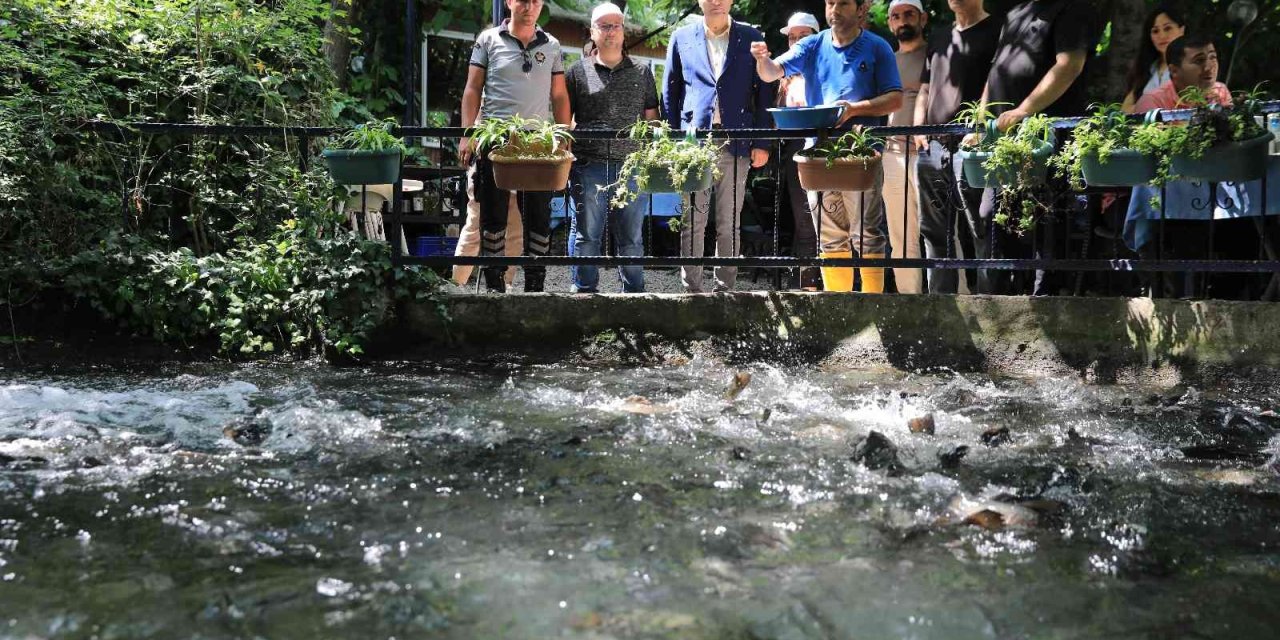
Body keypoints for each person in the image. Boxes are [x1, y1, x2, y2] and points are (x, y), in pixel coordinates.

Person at [752, 0, 903, 293]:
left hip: (860, 156)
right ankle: (838, 306)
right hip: (818, 155)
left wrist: (854, 109)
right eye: (830, 2)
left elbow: (895, 98)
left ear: (861, 8)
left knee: (867, 234)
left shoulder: (878, 47)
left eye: (843, 3)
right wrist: (762, 59)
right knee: (830, 236)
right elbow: (771, 73)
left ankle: (873, 306)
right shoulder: (811, 45)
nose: (834, 9)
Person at [977, 0, 1098, 295]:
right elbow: (996, 72)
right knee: (992, 215)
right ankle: (1001, 299)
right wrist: (981, 123)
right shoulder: (1015, 13)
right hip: (1005, 141)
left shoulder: (1070, 8)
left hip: (1048, 137)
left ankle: (1046, 300)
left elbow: (1069, 65)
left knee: (1048, 220)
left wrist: (1024, 110)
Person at [458, 0, 571, 293]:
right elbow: (472, 88)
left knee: (538, 214)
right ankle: (494, 283)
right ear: (509, 2)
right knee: (492, 213)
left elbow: (559, 95)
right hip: (495, 136)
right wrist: (467, 133)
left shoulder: (553, 45)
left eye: (536, 0)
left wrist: (562, 135)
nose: (529, 6)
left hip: (538, 141)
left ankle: (535, 284)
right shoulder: (488, 39)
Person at [663, 0, 776, 293]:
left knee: (729, 221)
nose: (716, 1)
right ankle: (692, 291)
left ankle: (725, 290)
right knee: (692, 220)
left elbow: (765, 94)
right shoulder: (682, 37)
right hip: (694, 143)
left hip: (735, 141)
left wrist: (762, 142)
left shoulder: (752, 37)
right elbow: (670, 92)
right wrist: (674, 141)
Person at [564, 3, 661, 293]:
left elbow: (651, 117)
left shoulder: (642, 72)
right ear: (592, 31)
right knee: (586, 235)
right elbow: (565, 119)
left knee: (632, 236)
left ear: (624, 31)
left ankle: (634, 293)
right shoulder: (578, 72)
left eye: (616, 25)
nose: (610, 31)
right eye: (604, 26)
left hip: (631, 166)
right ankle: (584, 291)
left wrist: (652, 154)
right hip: (587, 164)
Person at [912, 0, 1000, 295]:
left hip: (973, 146)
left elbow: (995, 81)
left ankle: (989, 304)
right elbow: (925, 86)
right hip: (932, 145)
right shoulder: (939, 35)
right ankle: (940, 305)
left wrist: (978, 126)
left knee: (981, 227)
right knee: (935, 232)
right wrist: (918, 128)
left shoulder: (997, 30)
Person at [883, 0, 927, 294]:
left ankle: (956, 300)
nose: (903, 21)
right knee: (900, 236)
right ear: (889, 23)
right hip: (892, 155)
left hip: (927, 154)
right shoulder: (885, 61)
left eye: (909, 14)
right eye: (896, 16)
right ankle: (909, 303)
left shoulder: (934, 55)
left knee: (941, 234)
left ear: (922, 19)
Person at [776, 12, 822, 290]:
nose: (795, 42)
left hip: (827, 149)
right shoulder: (784, 74)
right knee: (804, 222)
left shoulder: (828, 65)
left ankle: (835, 284)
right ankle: (807, 286)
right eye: (792, 37)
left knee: (829, 223)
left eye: (802, 36)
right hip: (794, 151)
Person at [1133, 35, 1232, 113]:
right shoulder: (1153, 102)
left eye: (1212, 57)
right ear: (1174, 71)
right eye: (1199, 60)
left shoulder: (1220, 91)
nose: (1208, 67)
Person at [1121, 4, 1187, 114]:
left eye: (1167, 28)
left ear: (1182, 30)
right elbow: (1124, 111)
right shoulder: (1148, 68)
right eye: (1155, 31)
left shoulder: (1191, 66)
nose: (1162, 36)